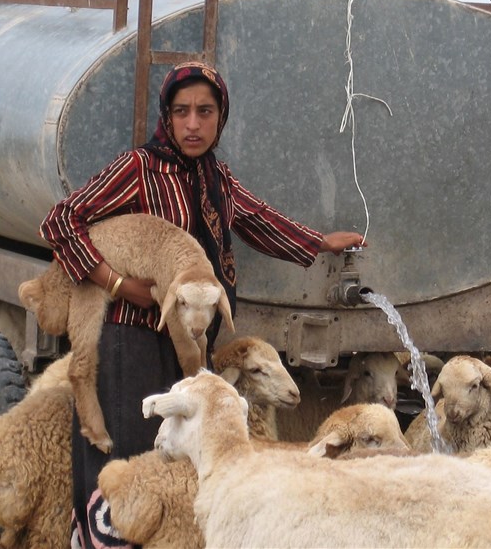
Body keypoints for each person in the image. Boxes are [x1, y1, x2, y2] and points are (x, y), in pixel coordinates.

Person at [39, 61, 366, 548]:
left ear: (221, 117)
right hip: (130, 342)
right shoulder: (139, 170)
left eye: (205, 111)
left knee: (177, 464)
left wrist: (319, 243)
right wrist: (116, 283)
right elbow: (61, 222)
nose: (193, 124)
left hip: (187, 347)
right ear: (167, 117)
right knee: (125, 464)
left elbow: (258, 219)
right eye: (182, 111)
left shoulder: (217, 176)